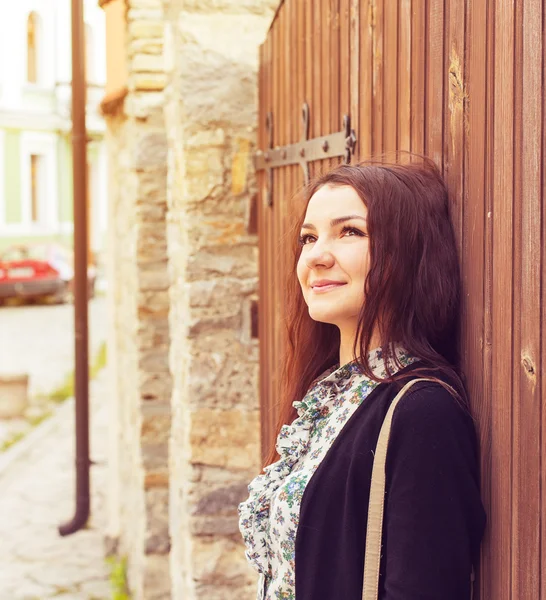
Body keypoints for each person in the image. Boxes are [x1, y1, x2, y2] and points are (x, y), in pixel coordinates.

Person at [238, 157, 487, 600]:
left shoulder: (422, 411)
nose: (316, 255)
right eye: (308, 237)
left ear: (406, 253)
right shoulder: (327, 396)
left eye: (350, 231)